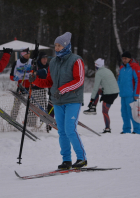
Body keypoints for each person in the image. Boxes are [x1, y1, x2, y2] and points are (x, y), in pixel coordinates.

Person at [29, 32, 87, 169]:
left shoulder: (76, 60)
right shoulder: (53, 62)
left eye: (59, 45)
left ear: (66, 46)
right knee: (61, 131)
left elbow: (79, 80)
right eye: (55, 45)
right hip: (58, 101)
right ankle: (66, 160)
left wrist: (62, 89)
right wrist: (35, 80)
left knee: (70, 129)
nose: (57, 48)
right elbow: (49, 82)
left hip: (73, 99)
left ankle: (81, 158)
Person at [83, 58, 119, 133]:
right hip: (114, 92)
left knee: (105, 111)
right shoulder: (108, 70)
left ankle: (107, 129)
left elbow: (95, 88)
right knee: (99, 91)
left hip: (110, 94)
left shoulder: (99, 73)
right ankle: (93, 108)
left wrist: (91, 100)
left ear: (96, 65)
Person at [9, 47, 37, 127]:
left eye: (28, 53)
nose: (28, 55)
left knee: (31, 105)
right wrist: (15, 78)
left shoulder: (32, 62)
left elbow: (36, 72)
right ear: (22, 54)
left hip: (31, 86)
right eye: (26, 54)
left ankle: (31, 122)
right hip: (21, 86)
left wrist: (33, 74)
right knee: (17, 104)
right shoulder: (17, 63)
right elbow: (11, 76)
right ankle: (12, 120)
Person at [118, 51, 140, 134]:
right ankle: (126, 129)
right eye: (123, 58)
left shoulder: (135, 67)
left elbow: (138, 80)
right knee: (124, 113)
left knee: (133, 113)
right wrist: (118, 90)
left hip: (131, 95)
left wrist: (136, 93)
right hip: (123, 94)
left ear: (129, 58)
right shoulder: (121, 67)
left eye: (125, 58)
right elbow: (119, 80)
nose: (124, 60)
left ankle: (136, 129)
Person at [32, 51, 54, 132]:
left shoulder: (48, 66)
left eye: (46, 58)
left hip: (45, 89)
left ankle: (49, 123)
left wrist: (37, 72)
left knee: (49, 106)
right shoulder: (36, 65)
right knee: (34, 108)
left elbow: (45, 71)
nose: (45, 60)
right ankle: (31, 122)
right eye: (43, 58)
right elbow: (31, 73)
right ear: (40, 59)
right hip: (35, 89)